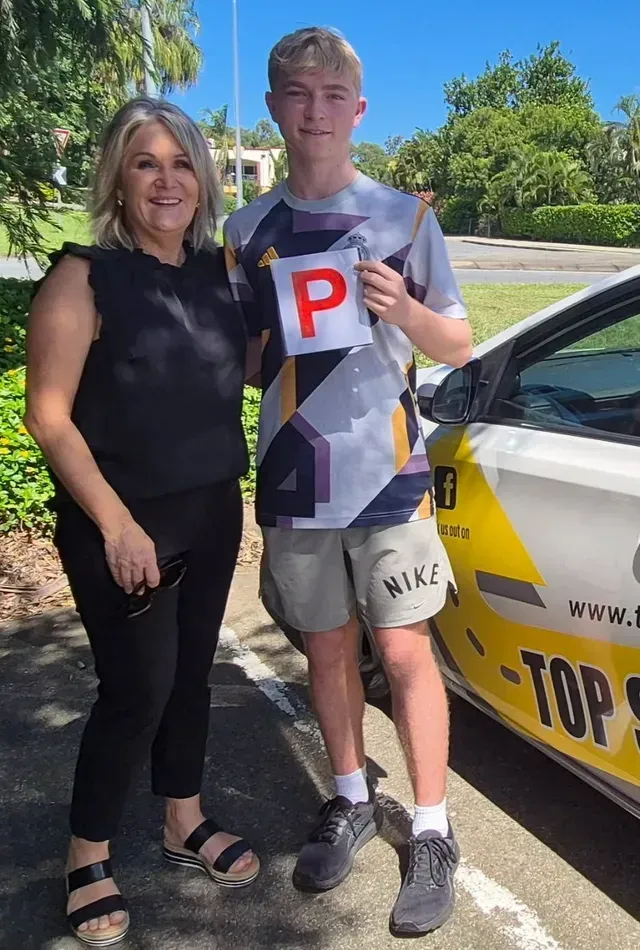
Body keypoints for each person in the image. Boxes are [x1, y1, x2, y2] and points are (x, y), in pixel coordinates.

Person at [224, 27, 472, 937]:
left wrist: (401, 307)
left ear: (357, 109)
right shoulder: (244, 229)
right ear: (274, 108)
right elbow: (250, 362)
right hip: (294, 471)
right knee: (327, 653)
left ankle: (436, 828)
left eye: (333, 95)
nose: (316, 110)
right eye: (298, 93)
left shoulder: (406, 218)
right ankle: (350, 797)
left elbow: (456, 342)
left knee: (405, 655)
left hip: (390, 472)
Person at [25, 98, 260, 947]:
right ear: (117, 181)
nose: (168, 180)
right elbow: (47, 417)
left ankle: (182, 820)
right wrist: (118, 526)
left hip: (211, 508)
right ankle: (86, 853)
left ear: (202, 177)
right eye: (145, 163)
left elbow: (253, 364)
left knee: (193, 676)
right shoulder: (82, 277)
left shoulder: (216, 272)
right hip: (120, 521)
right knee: (136, 691)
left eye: (182, 162)